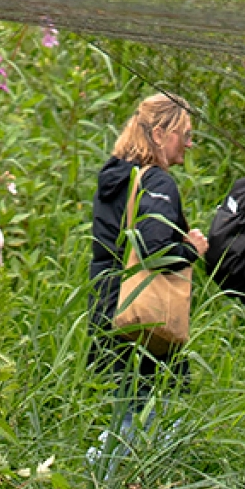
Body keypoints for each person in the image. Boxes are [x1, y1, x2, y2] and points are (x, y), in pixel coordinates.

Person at [88, 93, 208, 467]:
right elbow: (154, 248)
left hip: (108, 309)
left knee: (124, 410)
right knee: (153, 417)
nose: (188, 144)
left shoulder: (116, 177)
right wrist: (191, 249)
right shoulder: (157, 181)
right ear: (159, 133)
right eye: (184, 134)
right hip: (144, 318)